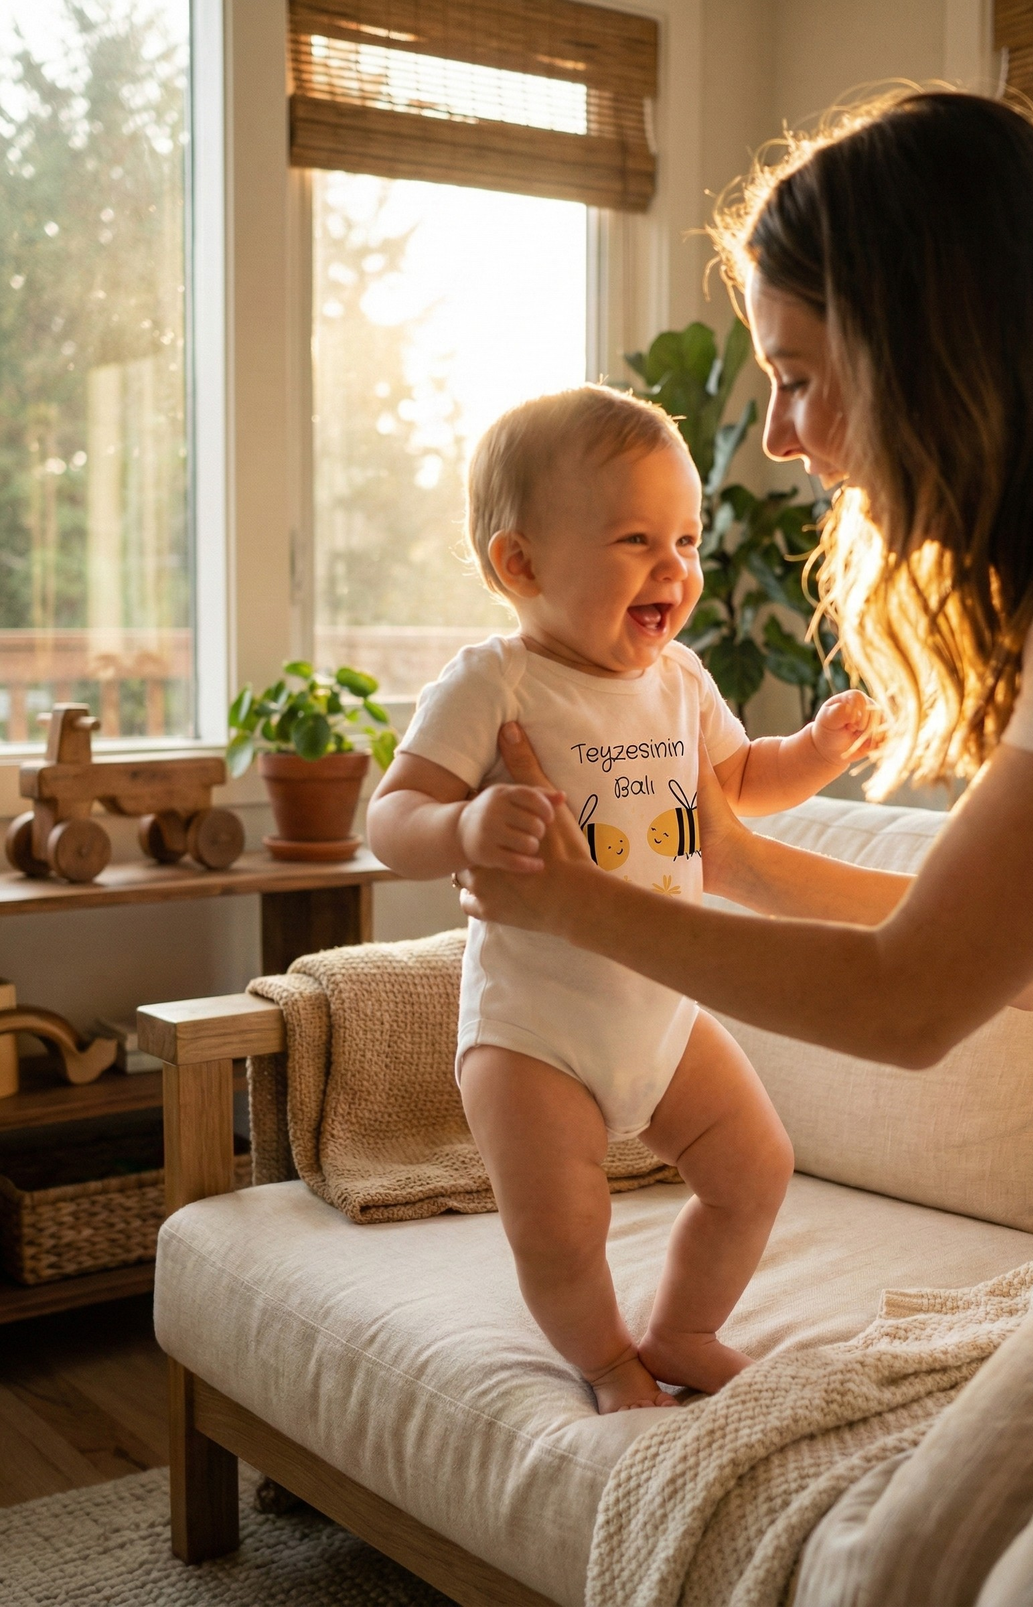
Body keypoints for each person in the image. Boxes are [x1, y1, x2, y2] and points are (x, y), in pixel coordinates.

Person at [454, 89, 1033, 1602]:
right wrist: (722, 853)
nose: (781, 436)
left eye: (798, 374)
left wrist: (582, 902)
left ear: (934, 336)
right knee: (901, 1559)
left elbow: (913, 1001)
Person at [366, 385, 878, 1413]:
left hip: (662, 1012)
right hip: (532, 1031)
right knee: (563, 1222)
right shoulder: (493, 683)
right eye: (637, 538)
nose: (675, 568)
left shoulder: (680, 678)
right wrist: (463, 827)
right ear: (522, 565)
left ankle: (685, 1328)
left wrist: (814, 754)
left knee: (755, 1166)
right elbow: (392, 815)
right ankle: (605, 1357)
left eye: (687, 540)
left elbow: (736, 789)